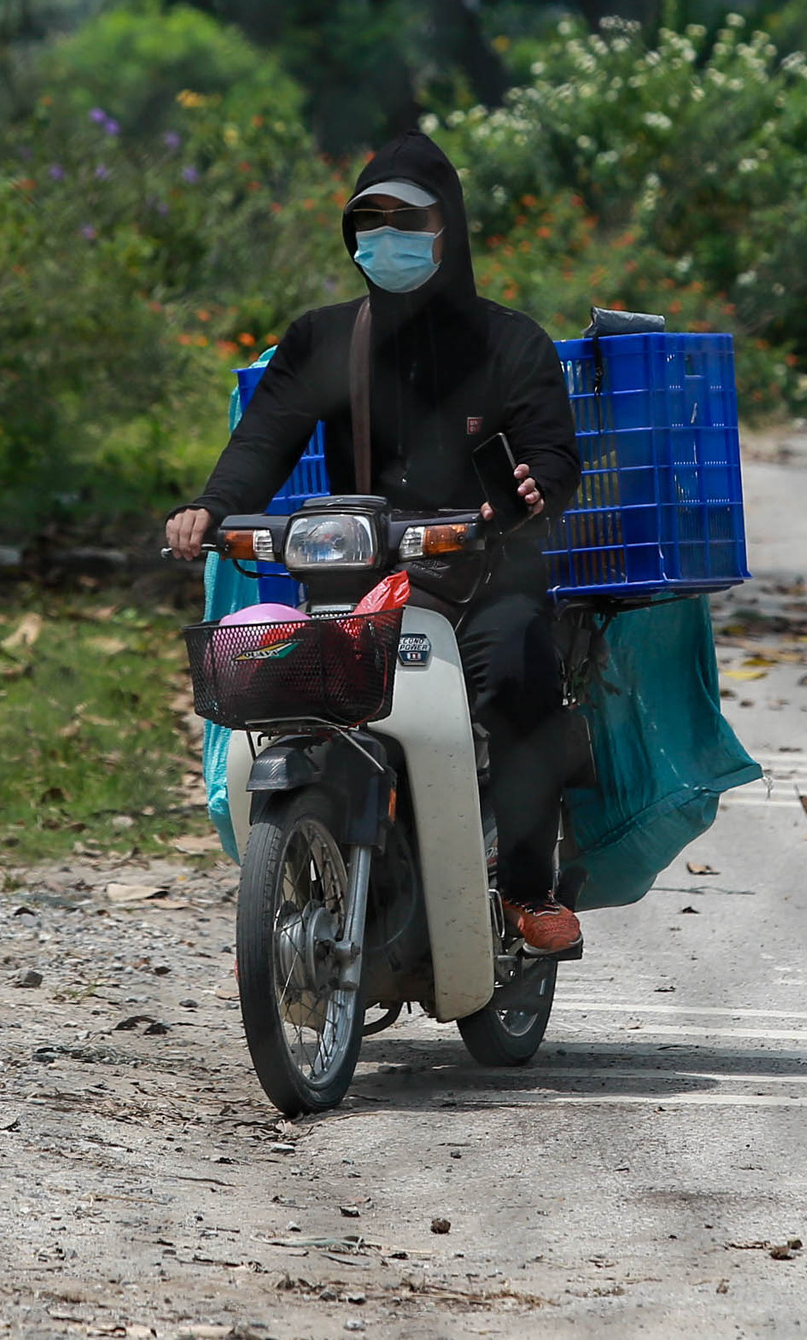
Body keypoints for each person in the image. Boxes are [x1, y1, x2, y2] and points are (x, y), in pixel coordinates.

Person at [163, 131, 586, 954]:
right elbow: (264, 437)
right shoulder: (324, 340)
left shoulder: (511, 343)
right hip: (360, 580)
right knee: (282, 688)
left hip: (483, 578)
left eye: (407, 218)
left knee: (522, 670)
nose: (385, 237)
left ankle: (528, 888)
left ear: (448, 227)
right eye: (370, 218)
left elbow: (554, 453)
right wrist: (212, 508)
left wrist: (538, 485)